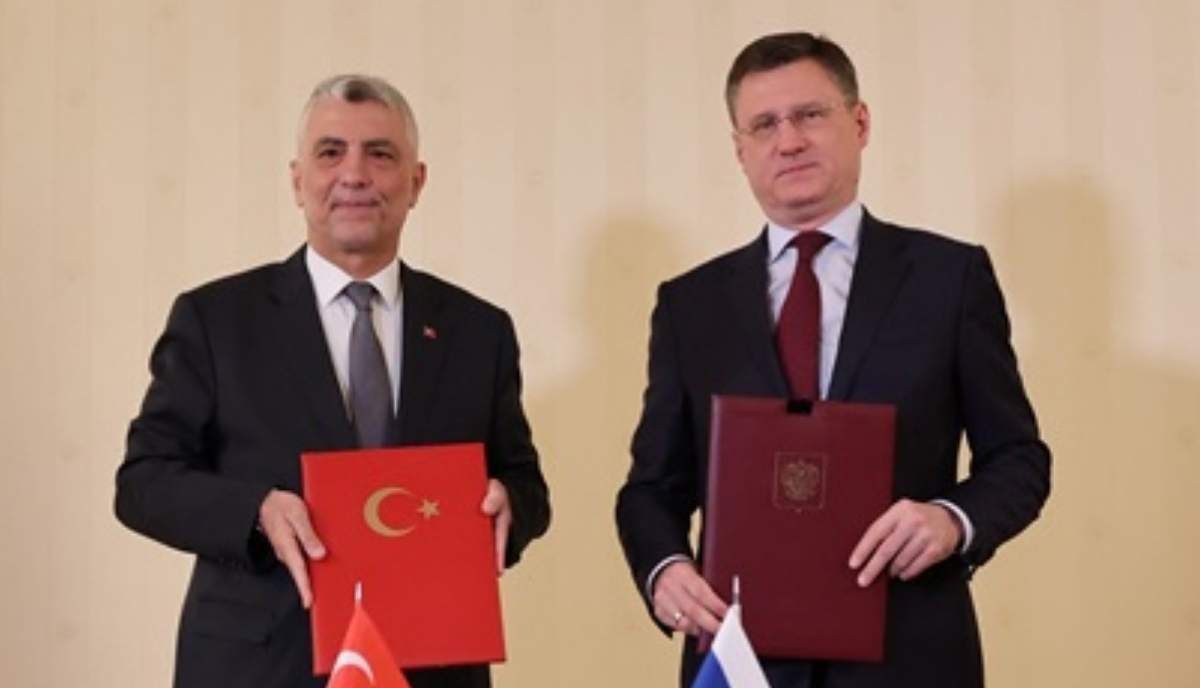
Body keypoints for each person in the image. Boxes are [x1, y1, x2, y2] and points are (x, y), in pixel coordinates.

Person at [615, 32, 1050, 687]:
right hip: (742, 661)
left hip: (910, 656)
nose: (788, 141)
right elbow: (652, 488)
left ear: (860, 122)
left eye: (810, 115)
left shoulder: (949, 279)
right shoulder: (690, 305)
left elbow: (1019, 458)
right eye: (764, 125)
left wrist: (951, 520)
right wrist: (665, 569)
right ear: (740, 151)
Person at [115, 74, 550, 688]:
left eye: (380, 154)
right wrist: (255, 511)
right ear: (298, 181)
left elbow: (524, 481)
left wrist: (511, 505)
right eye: (330, 153)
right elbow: (143, 482)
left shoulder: (479, 331)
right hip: (261, 666)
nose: (354, 174)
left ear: (416, 182)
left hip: (432, 664)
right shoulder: (216, 320)